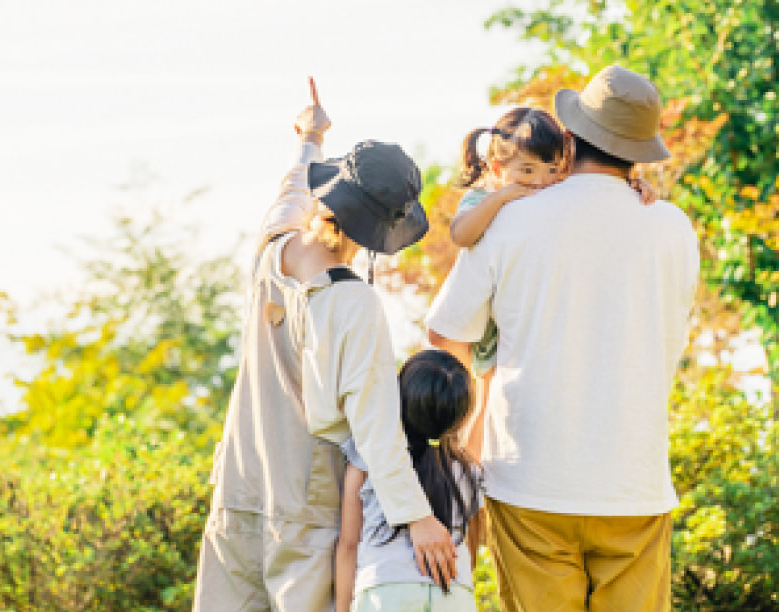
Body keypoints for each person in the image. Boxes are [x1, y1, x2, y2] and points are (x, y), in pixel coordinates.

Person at [426, 65, 700, 611]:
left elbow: (446, 334)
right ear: (639, 153)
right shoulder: (674, 227)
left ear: (568, 139)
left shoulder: (509, 219)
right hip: (634, 483)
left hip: (528, 478)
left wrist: (463, 434)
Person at [193, 78, 457, 612]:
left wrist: (310, 136)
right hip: (307, 504)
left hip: (239, 488)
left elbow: (292, 190)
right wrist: (418, 517)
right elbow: (376, 427)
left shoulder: (272, 249)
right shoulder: (354, 303)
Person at [449, 107, 655, 459]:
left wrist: (630, 185)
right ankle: (467, 465)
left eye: (552, 170)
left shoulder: (550, 193)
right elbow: (461, 235)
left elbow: (596, 188)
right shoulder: (485, 198)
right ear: (497, 168)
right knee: (485, 398)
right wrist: (501, 197)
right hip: (489, 317)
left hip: (523, 313)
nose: (541, 181)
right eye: (527, 170)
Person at [334, 349, 484, 612]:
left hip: (386, 588)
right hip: (453, 592)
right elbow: (472, 549)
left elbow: (348, 545)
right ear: (461, 417)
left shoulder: (370, 455)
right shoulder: (470, 471)